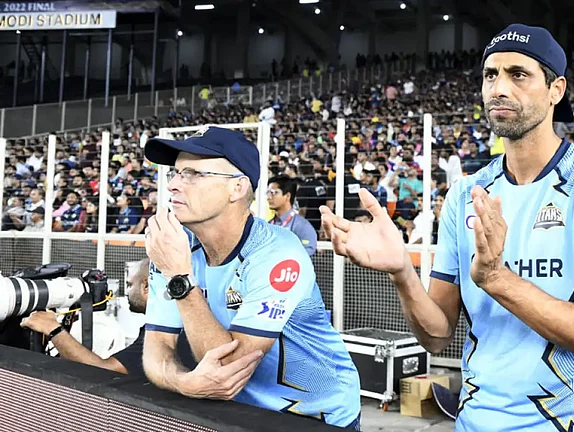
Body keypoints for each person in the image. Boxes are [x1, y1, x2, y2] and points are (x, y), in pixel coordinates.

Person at [320, 24, 574, 431]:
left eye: (518, 74)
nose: (499, 88)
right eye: (490, 75)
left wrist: (497, 279)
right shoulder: (465, 194)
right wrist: (402, 271)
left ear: (556, 89)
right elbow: (437, 335)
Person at [141, 126, 361, 430]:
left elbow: (228, 369)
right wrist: (182, 382)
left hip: (316, 417)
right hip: (242, 414)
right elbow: (156, 346)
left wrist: (180, 277)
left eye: (192, 173)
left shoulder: (278, 251)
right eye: (175, 173)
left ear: (238, 188)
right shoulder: (174, 246)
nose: (174, 185)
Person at [20, 258, 195, 375]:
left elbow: (103, 371)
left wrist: (53, 329)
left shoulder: (166, 328)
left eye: (129, 284)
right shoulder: (178, 320)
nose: (126, 292)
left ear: (146, 287)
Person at [267, 175, 318, 256]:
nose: (269, 197)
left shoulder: (302, 226)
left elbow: (307, 253)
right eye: (268, 193)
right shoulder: (268, 225)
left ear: (287, 196)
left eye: (274, 193)